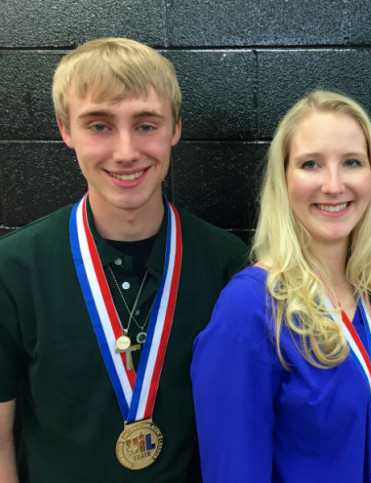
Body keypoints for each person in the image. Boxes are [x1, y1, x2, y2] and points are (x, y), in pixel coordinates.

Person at [0, 38, 247, 482]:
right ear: (65, 130)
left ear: (175, 128)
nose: (127, 151)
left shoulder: (230, 264)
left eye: (146, 125)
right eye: (99, 126)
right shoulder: (12, 269)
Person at [191, 90, 371, 482]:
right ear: (283, 179)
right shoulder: (249, 308)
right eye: (311, 164)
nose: (333, 185)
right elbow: (234, 470)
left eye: (351, 162)